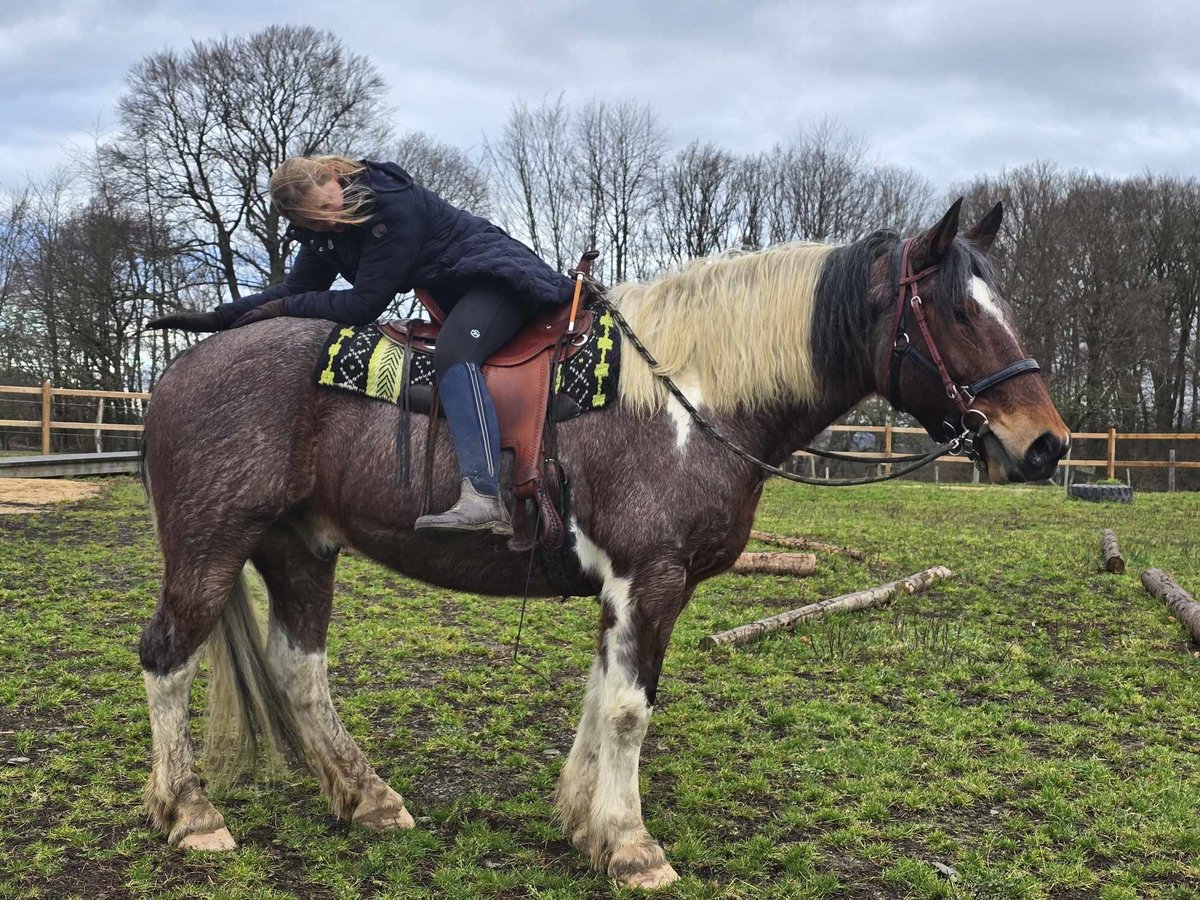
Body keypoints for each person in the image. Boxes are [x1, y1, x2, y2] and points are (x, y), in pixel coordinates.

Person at [148, 155, 575, 537]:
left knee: (456, 353)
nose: (331, 221)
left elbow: (362, 304)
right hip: (455, 289)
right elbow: (299, 287)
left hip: (497, 277)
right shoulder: (323, 233)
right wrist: (217, 317)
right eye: (316, 221)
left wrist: (282, 306)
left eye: (329, 207)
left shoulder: (392, 206)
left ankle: (483, 496)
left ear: (334, 177)